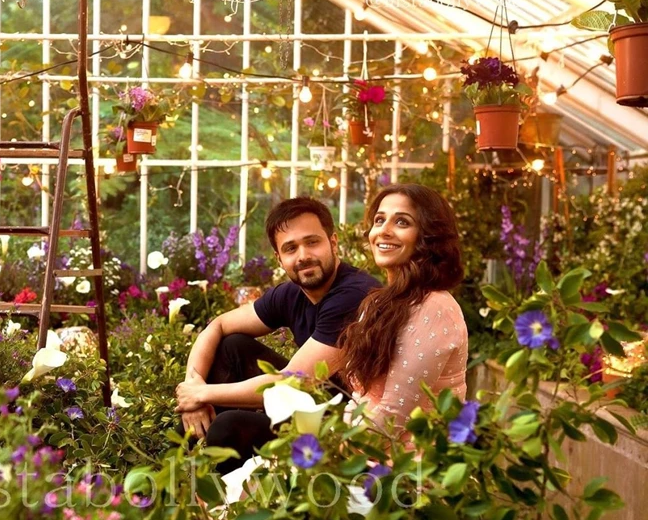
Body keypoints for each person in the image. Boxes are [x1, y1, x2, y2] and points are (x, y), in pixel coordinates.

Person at [175, 196, 381, 472]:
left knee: (229, 427)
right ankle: (180, 468)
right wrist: (192, 388)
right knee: (232, 346)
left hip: (344, 424)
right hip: (312, 402)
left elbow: (293, 383)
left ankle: (215, 489)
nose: (303, 256)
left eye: (312, 242)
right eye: (290, 248)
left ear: (333, 243)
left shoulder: (354, 293)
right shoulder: (291, 294)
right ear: (279, 258)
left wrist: (203, 394)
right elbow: (218, 325)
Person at [337, 184, 468, 431]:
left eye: (402, 222)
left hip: (410, 452)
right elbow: (359, 397)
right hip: (363, 439)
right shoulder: (379, 302)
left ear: (429, 236)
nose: (384, 231)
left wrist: (336, 447)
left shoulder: (435, 308)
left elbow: (393, 418)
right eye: (379, 220)